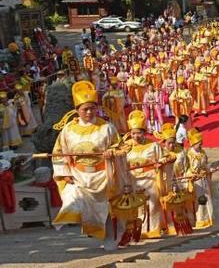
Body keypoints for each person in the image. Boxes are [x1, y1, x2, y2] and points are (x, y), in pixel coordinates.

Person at [51, 81, 123, 249]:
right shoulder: (68, 129)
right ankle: (75, 221)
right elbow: (58, 151)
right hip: (78, 174)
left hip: (103, 175)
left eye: (92, 108)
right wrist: (65, 173)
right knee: (75, 199)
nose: (89, 112)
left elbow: (119, 148)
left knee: (106, 209)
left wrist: (112, 153)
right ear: (77, 110)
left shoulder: (107, 128)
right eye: (85, 109)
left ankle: (110, 239)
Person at [124, 110, 168, 239]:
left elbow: (163, 158)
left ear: (143, 132)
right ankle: (136, 231)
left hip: (149, 179)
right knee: (136, 207)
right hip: (132, 181)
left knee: (152, 205)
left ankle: (153, 229)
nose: (136, 136)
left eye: (139, 133)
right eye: (133, 133)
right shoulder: (126, 147)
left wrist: (160, 163)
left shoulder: (153, 146)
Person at [185, 128, 215, 229]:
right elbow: (187, 168)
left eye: (201, 143)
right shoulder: (189, 154)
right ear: (193, 144)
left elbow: (205, 164)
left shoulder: (202, 152)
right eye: (198, 143)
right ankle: (200, 220)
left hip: (204, 178)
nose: (200, 145)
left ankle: (209, 219)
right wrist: (191, 175)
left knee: (208, 198)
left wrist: (211, 169)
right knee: (199, 200)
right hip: (195, 181)